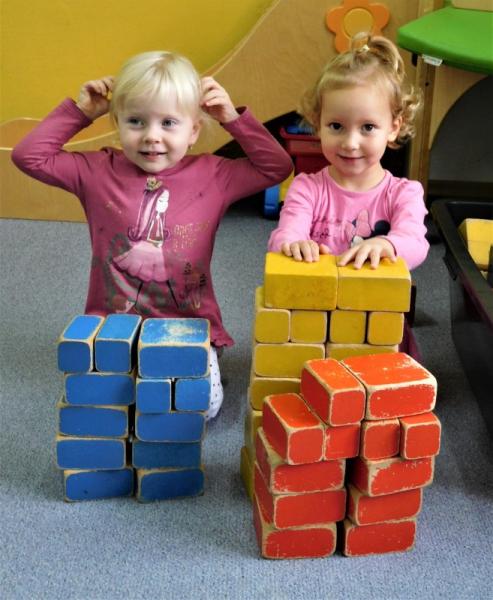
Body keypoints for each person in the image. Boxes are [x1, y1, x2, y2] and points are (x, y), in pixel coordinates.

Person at [12, 51, 293, 419]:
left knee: (201, 409)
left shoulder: (215, 174)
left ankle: (201, 358)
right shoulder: (97, 170)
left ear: (193, 131)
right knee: (112, 408)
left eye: (169, 123)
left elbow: (277, 167)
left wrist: (231, 118)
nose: (151, 136)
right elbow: (28, 156)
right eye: (136, 121)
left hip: (189, 324)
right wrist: (81, 113)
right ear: (117, 123)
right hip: (115, 324)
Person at [268, 34, 429, 271]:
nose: (351, 143)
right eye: (336, 126)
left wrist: (387, 244)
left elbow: (415, 244)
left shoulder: (404, 194)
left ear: (393, 128)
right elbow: (284, 235)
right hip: (316, 293)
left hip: (374, 295)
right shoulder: (306, 189)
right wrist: (293, 243)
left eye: (368, 127)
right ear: (318, 124)